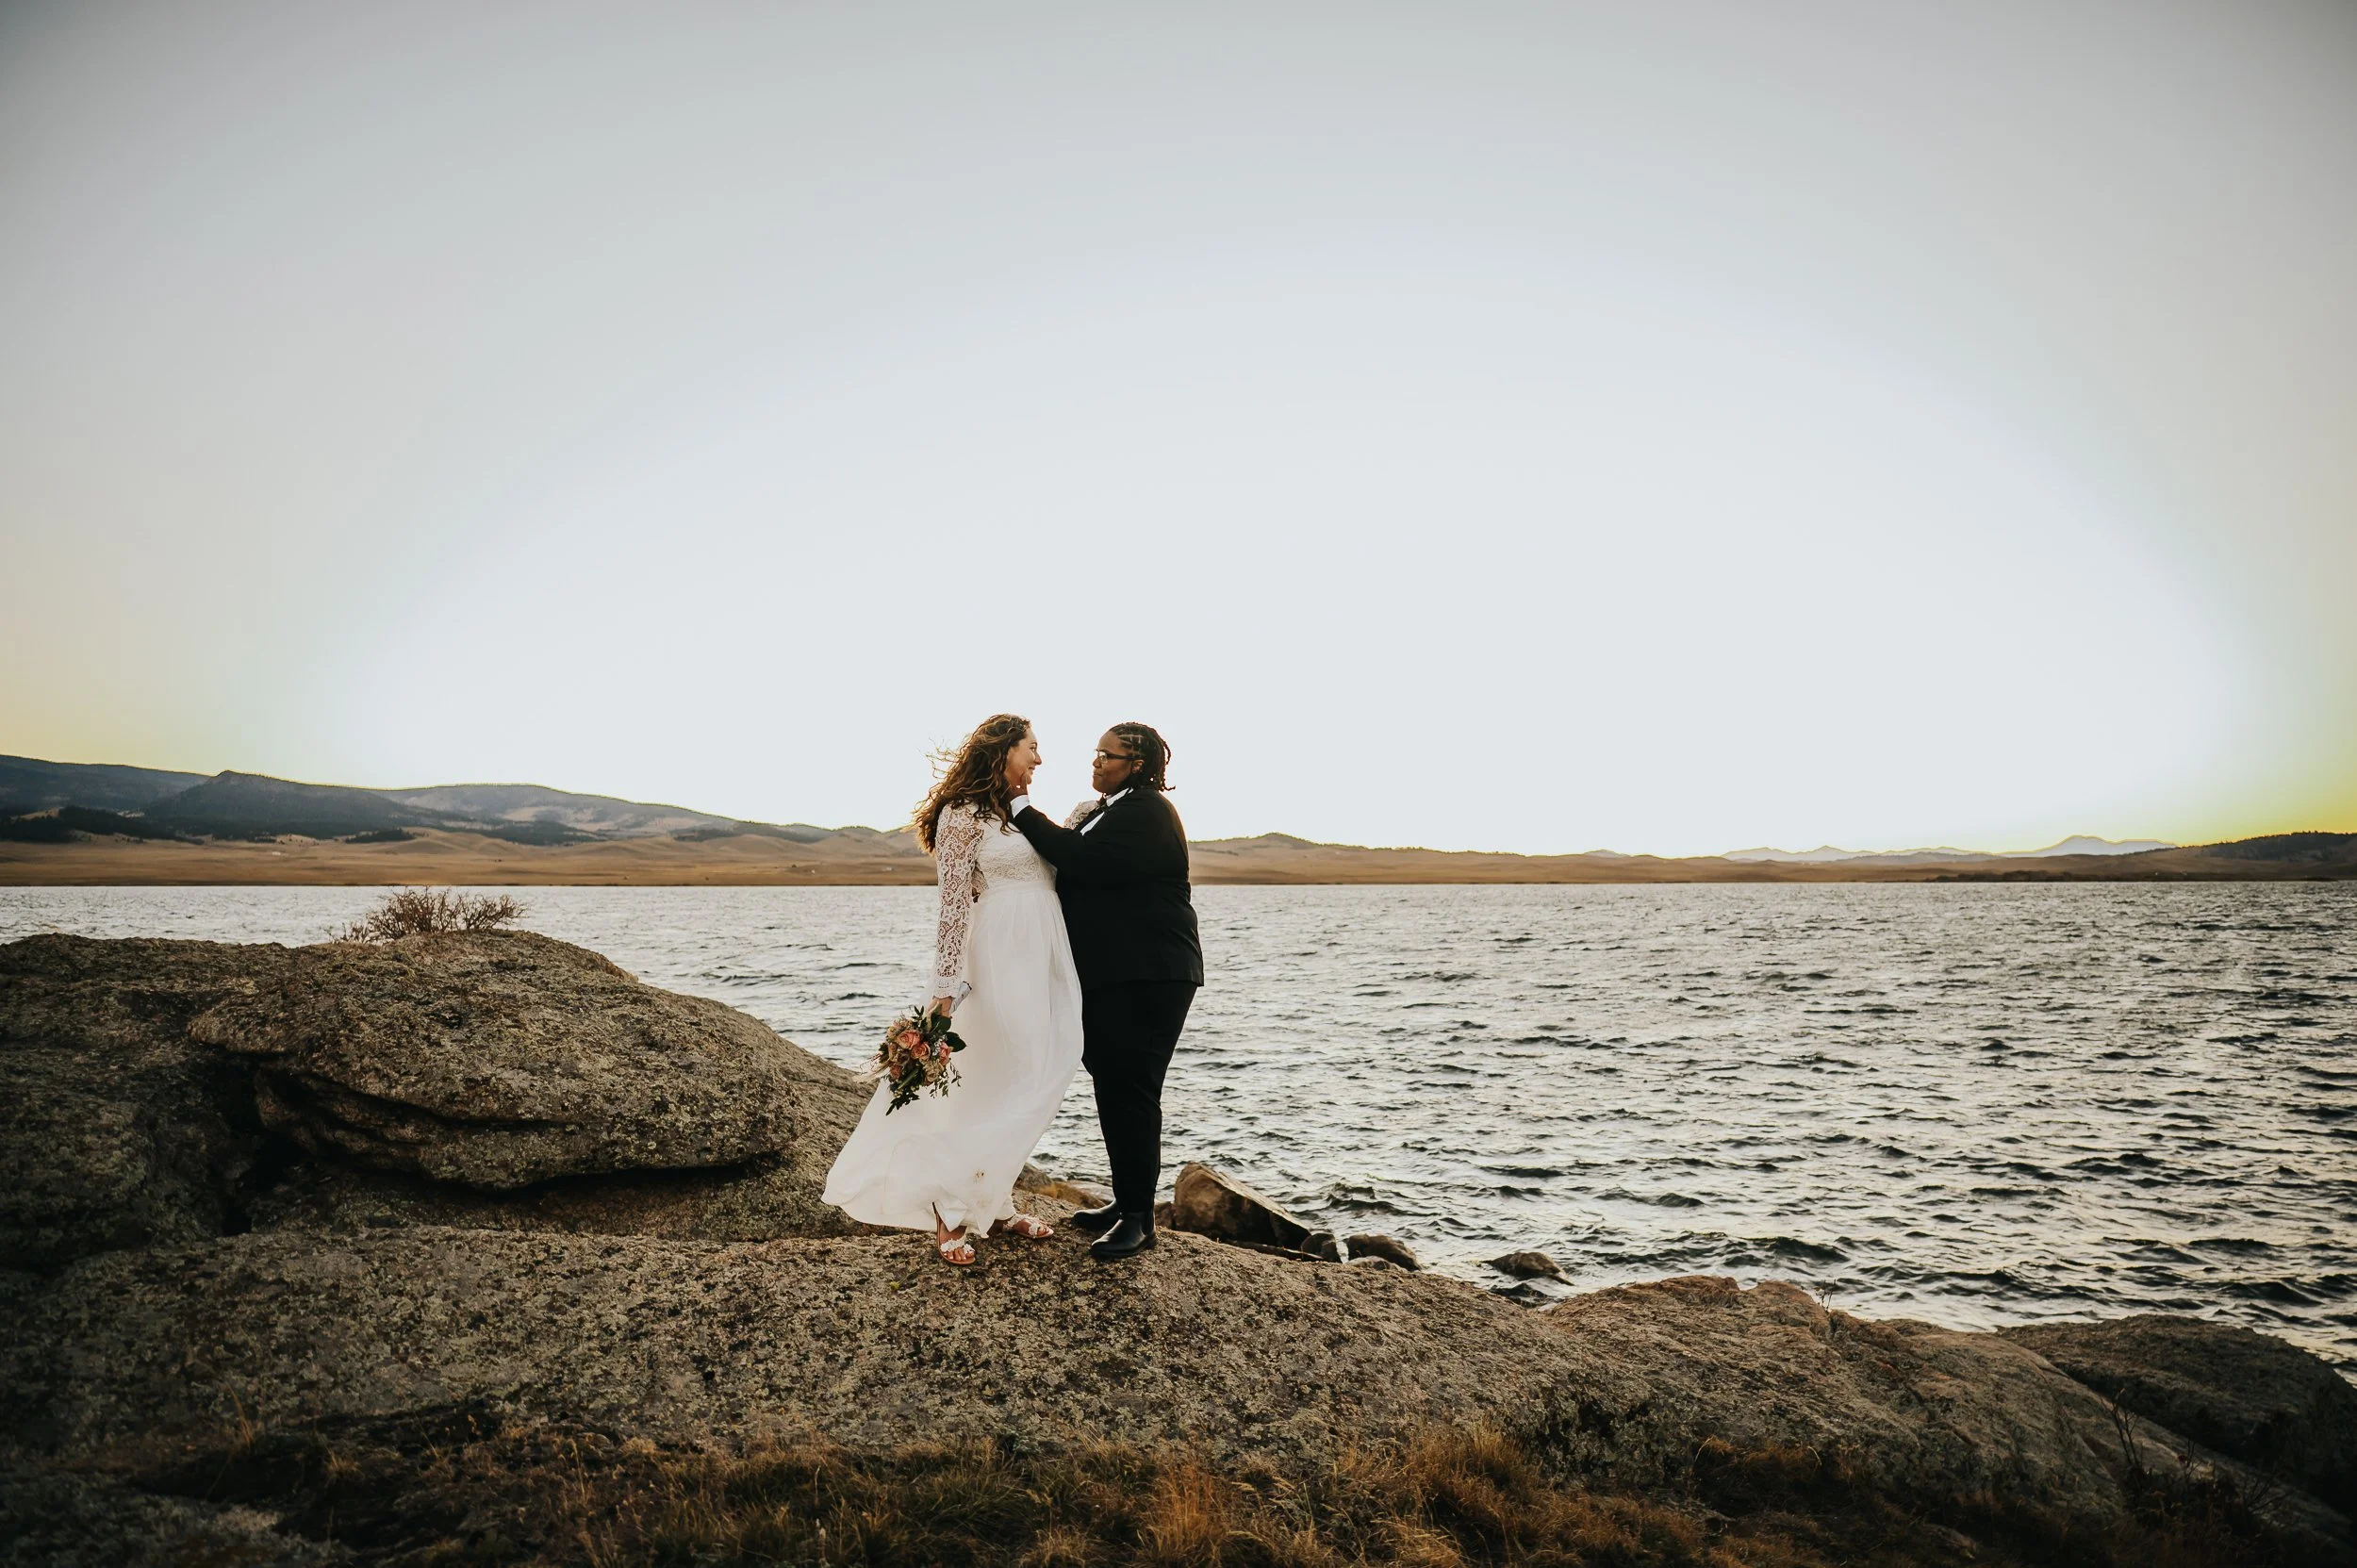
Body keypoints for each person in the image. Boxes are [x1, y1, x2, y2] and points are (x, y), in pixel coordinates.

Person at [822, 714, 1083, 1265]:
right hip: (997, 955)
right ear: (1003, 750)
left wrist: (1084, 817)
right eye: (1031, 748)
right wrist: (944, 986)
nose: (1039, 759)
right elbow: (952, 904)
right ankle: (950, 1206)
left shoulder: (1020, 814)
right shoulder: (961, 814)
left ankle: (997, 1196)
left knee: (1035, 1070)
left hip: (1045, 955)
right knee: (989, 1076)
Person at [1007, 722, 1202, 1260]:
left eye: (1107, 755)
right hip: (1116, 973)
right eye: (1096, 752)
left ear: (1136, 764)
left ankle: (1140, 1219)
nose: (1096, 761)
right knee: (1113, 1085)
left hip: (1151, 972)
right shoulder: (1109, 809)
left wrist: (1020, 806)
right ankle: (1125, 1200)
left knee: (1132, 1089)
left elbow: (1078, 858)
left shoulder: (1146, 811)